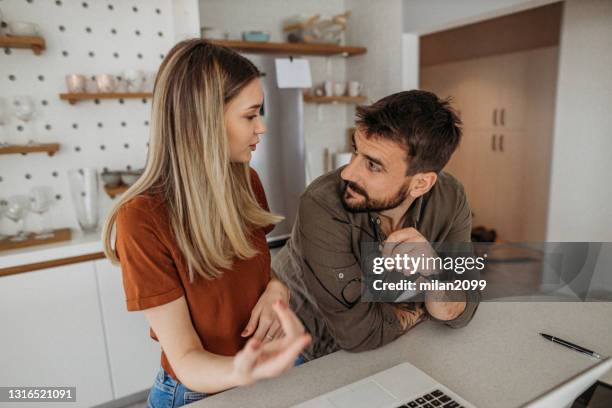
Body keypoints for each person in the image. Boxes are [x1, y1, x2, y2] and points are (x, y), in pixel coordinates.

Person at [102, 39, 310, 407]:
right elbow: (186, 359)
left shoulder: (246, 184)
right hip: (201, 392)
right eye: (250, 115)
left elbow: (255, 272)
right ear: (204, 122)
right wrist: (245, 371)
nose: (261, 128)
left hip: (268, 374)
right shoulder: (140, 219)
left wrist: (278, 290)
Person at [273, 90, 480, 361]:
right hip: (303, 344)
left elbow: (462, 309)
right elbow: (359, 334)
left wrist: (435, 274)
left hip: (385, 347)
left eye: (373, 165)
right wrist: (423, 308)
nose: (348, 173)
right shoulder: (322, 204)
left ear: (421, 184)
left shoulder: (450, 197)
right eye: (355, 150)